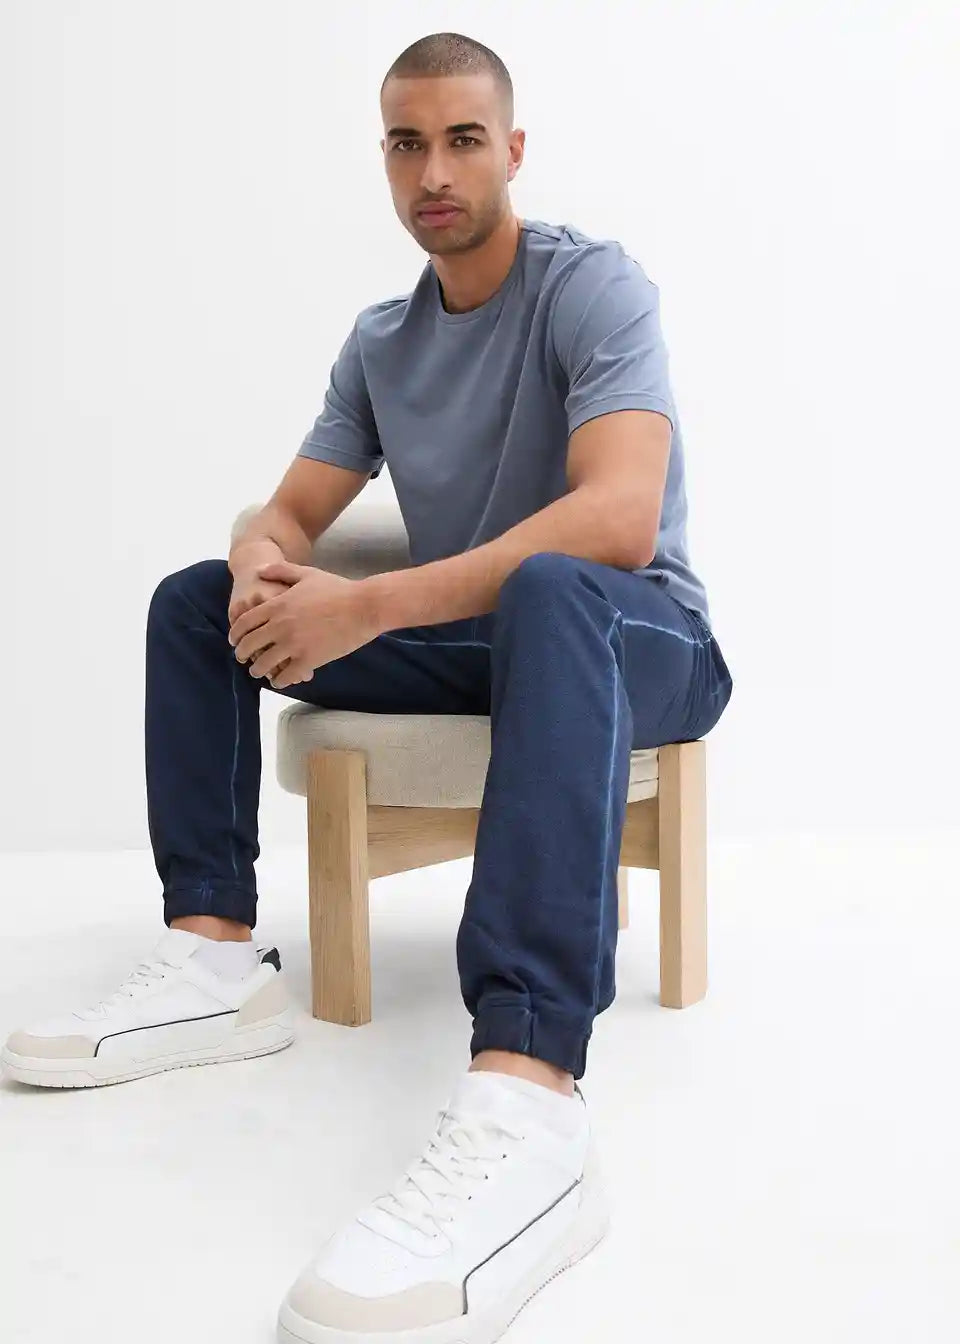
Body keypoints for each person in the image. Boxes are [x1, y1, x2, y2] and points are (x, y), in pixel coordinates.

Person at [2, 30, 734, 1344]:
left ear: (512, 151)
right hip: (492, 640)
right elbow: (283, 512)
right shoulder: (382, 342)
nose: (434, 171)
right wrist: (260, 565)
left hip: (639, 638)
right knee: (195, 603)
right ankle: (214, 957)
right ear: (385, 161)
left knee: (553, 590)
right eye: (407, 143)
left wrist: (369, 605)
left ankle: (531, 1095)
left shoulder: (593, 287)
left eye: (463, 139)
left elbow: (619, 520)